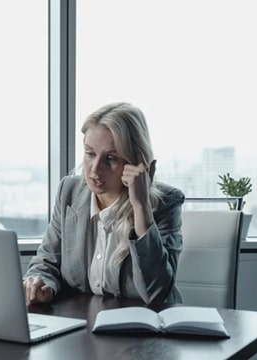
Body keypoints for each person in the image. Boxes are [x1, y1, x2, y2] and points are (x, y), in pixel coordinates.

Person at [23, 102, 185, 306]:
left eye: (111, 158)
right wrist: (41, 284)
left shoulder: (165, 203)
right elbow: (46, 262)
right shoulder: (70, 192)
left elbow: (157, 294)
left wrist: (141, 207)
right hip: (83, 325)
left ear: (136, 162)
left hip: (143, 331)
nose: (95, 170)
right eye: (90, 153)